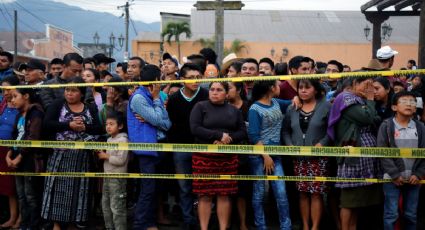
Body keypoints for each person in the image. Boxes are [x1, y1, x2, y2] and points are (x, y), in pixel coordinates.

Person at [41, 77, 102, 230]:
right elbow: (47, 124)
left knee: (79, 193)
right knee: (57, 192)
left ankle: (74, 224)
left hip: (82, 159)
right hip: (59, 156)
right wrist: (68, 125)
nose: (69, 93)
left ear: (81, 93)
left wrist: (84, 128)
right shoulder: (57, 105)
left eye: (74, 90)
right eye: (67, 90)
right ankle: (56, 225)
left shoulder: (90, 108)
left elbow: (99, 128)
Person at [190, 82, 247, 230]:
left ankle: (223, 228)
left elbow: (242, 132)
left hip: (227, 158)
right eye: (212, 89)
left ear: (227, 94)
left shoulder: (234, 111)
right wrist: (217, 136)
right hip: (204, 157)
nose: (214, 92)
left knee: (224, 195)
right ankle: (204, 228)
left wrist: (228, 139)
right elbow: (195, 128)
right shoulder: (200, 106)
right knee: (204, 195)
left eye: (219, 90)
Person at [327, 77, 382, 230]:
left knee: (357, 202)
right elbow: (367, 118)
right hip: (352, 157)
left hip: (364, 158)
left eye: (372, 86)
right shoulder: (346, 98)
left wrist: (368, 105)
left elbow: (374, 118)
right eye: (367, 85)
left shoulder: (358, 99)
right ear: (354, 84)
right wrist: (371, 100)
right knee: (349, 201)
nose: (370, 89)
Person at [282, 79, 330, 230]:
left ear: (315, 90)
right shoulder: (292, 107)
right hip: (298, 158)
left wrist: (323, 143)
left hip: (319, 157)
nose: (303, 90)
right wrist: (290, 145)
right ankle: (305, 225)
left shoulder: (326, 107)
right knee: (302, 193)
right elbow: (285, 130)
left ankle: (315, 227)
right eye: (300, 87)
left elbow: (332, 130)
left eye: (307, 87)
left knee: (316, 193)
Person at [128, 64, 171, 230]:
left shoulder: (154, 95)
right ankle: (140, 224)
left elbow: (167, 124)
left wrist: (156, 113)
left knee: (155, 189)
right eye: (160, 78)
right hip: (147, 148)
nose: (161, 81)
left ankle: (150, 223)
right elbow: (159, 120)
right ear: (155, 80)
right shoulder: (140, 97)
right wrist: (155, 102)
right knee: (148, 189)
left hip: (159, 145)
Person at [166, 63, 208, 229]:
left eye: (198, 77)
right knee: (184, 186)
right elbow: (170, 124)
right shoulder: (175, 99)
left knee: (203, 186)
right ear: (182, 79)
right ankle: (188, 220)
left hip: (202, 147)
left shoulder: (205, 95)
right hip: (180, 148)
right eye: (191, 78)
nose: (195, 81)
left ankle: (203, 219)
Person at [377, 91, 425, 230]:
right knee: (391, 214)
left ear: (416, 108)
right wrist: (394, 174)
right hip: (391, 179)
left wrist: (418, 174)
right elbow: (382, 152)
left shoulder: (420, 128)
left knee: (411, 214)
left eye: (412, 102)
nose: (409, 104)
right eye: (404, 101)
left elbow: (423, 154)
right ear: (394, 107)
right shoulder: (386, 126)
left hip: (414, 179)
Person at [248, 80, 292, 230]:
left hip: (276, 154)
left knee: (281, 192)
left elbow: (291, 102)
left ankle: (286, 226)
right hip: (259, 156)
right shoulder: (254, 108)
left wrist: (297, 99)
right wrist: (265, 156)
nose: (279, 87)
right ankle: (261, 225)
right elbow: (254, 136)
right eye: (277, 85)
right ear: (271, 88)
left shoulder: (276, 102)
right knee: (259, 192)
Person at [6, 87, 44, 229]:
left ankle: (33, 225)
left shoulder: (36, 113)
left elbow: (33, 137)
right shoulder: (18, 115)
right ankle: (24, 223)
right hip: (17, 157)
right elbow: (15, 134)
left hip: (29, 159)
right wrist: (9, 154)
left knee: (30, 195)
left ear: (26, 96)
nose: (12, 100)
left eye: (15, 96)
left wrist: (19, 157)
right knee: (20, 194)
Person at [98, 112, 129, 230]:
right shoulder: (109, 139)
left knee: (117, 207)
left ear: (120, 126)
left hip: (118, 178)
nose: (108, 127)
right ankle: (109, 227)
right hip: (107, 176)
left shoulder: (123, 140)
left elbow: (121, 160)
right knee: (105, 205)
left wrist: (106, 156)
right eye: (106, 124)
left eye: (111, 124)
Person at [0, 76, 20, 229]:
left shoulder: (20, 106)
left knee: (14, 187)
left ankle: (18, 218)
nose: (5, 93)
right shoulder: (2, 105)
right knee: (5, 186)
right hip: (0, 148)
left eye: (8, 89)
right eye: (2, 89)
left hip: (12, 150)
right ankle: (10, 216)